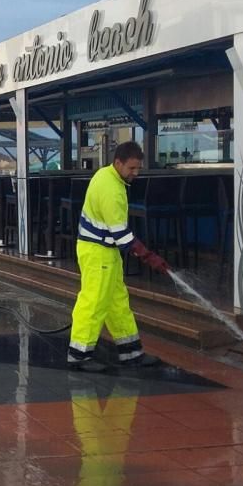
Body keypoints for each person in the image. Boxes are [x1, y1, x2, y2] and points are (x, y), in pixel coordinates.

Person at [68, 141, 169, 373]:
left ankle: (131, 352)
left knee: (117, 302)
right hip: (98, 252)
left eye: (138, 168)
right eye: (131, 168)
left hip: (104, 251)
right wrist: (147, 256)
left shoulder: (108, 175)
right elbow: (121, 235)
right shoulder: (112, 190)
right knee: (93, 302)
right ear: (118, 163)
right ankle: (78, 356)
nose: (136, 173)